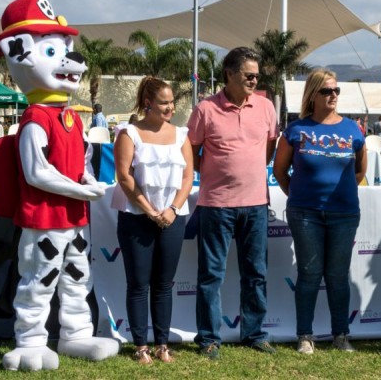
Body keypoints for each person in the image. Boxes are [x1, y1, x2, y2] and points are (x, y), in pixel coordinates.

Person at [187, 47, 279, 358]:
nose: (254, 80)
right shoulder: (205, 109)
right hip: (216, 205)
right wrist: (218, 173)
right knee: (211, 275)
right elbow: (192, 152)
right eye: (248, 75)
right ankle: (209, 339)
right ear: (229, 74)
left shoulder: (266, 107)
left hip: (256, 204)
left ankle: (254, 334)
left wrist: (245, 170)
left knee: (256, 272)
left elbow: (269, 148)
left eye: (256, 75)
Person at [273, 69, 367, 355]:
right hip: (305, 214)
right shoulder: (296, 130)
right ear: (312, 95)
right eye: (327, 91)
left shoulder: (353, 129)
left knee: (338, 276)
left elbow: (360, 170)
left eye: (336, 91)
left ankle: (341, 335)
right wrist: (301, 197)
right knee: (309, 273)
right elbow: (279, 171)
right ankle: (305, 335)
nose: (333, 96)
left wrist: (340, 195)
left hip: (344, 213)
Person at [111, 76, 194, 365]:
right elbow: (124, 176)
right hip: (136, 218)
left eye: (172, 102)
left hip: (173, 218)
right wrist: (148, 209)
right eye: (163, 102)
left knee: (164, 284)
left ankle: (162, 344)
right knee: (138, 284)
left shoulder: (182, 135)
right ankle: (140, 346)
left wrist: (172, 209)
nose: (170, 107)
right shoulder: (128, 132)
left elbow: (188, 178)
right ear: (148, 103)